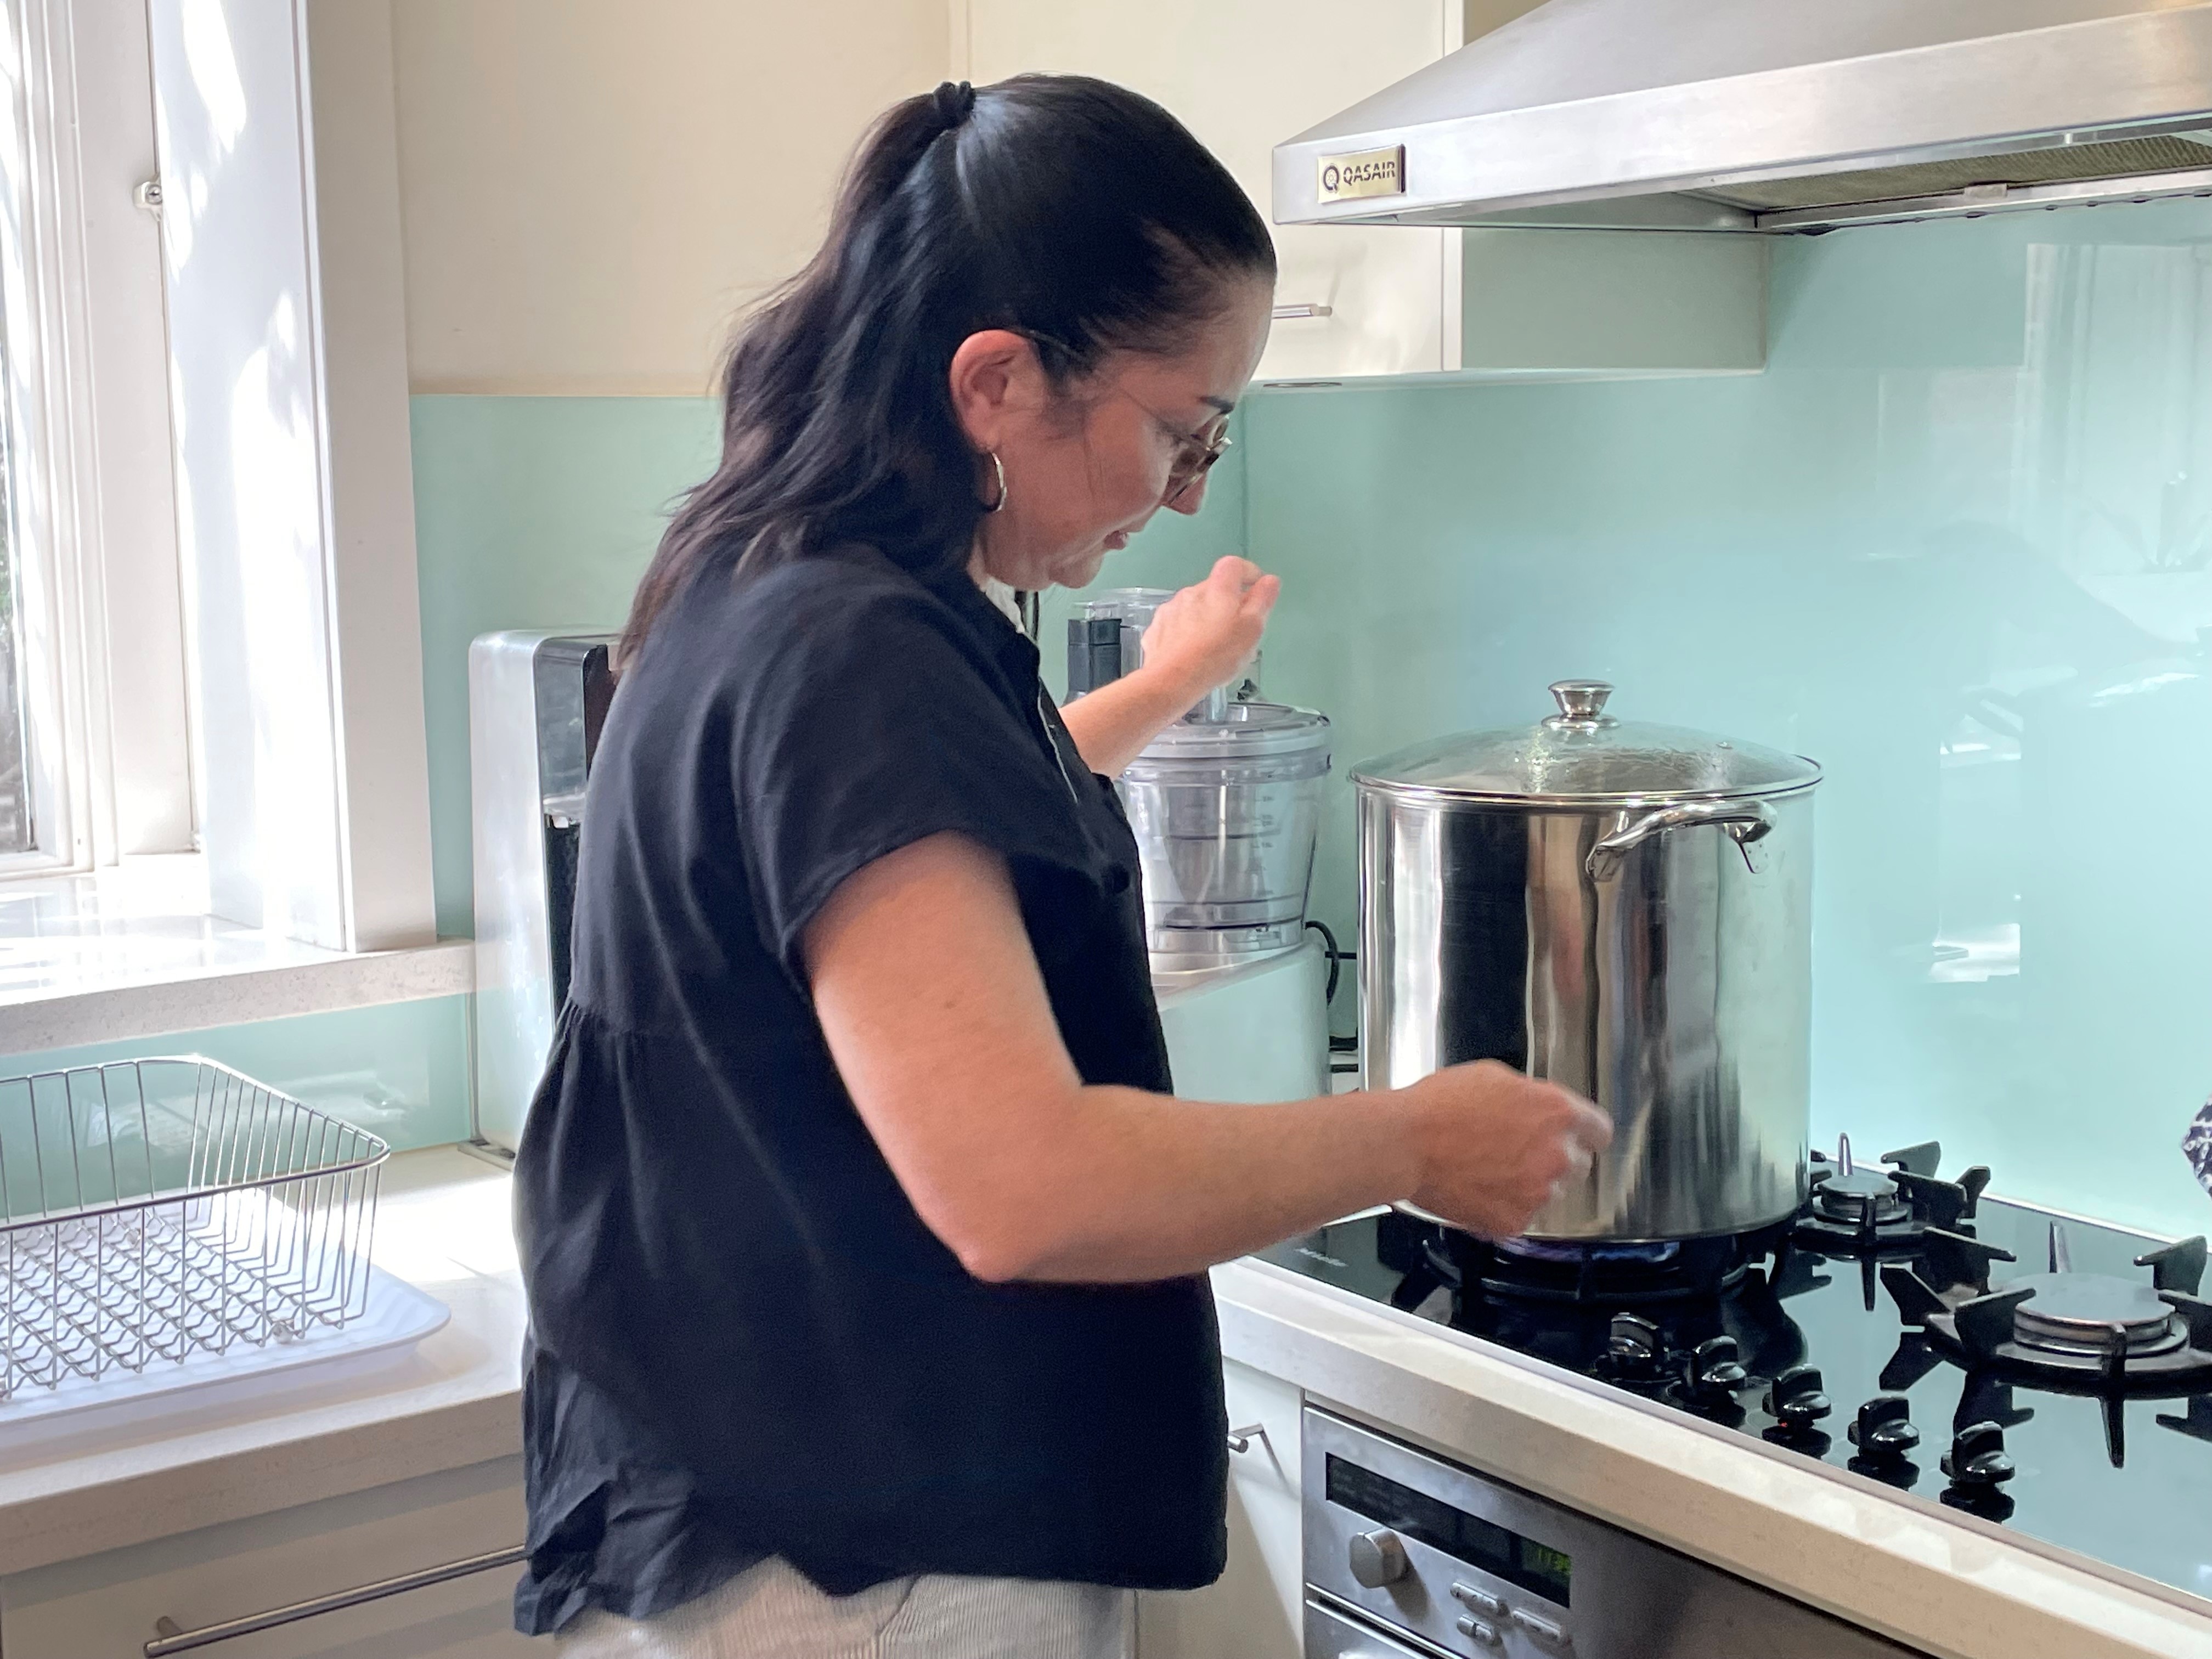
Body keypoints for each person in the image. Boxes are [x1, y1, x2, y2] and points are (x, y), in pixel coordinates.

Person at [513, 74, 1612, 1658]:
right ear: (999, 382)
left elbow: (918, 832)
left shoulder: (777, 577)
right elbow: (1020, 1191)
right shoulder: (859, 652)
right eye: (1182, 427)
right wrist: (1410, 1142)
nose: (1189, 490)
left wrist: (1169, 685)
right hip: (876, 1558)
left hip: (779, 1492)